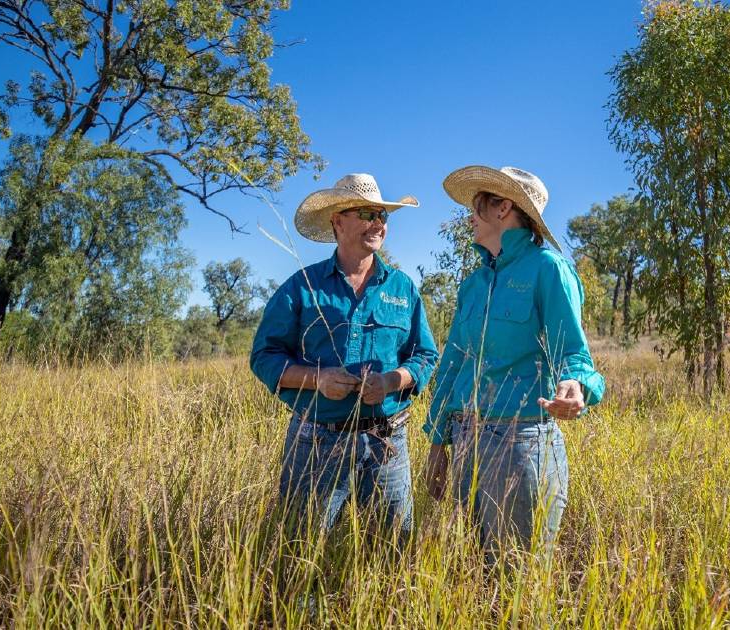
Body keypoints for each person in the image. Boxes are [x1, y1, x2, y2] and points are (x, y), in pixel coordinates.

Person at [423, 165, 606, 558]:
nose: (469, 215)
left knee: (517, 576)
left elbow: (573, 351)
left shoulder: (548, 270)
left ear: (503, 207)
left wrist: (577, 386)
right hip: (465, 439)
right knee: (475, 568)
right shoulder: (473, 285)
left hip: (522, 445)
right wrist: (438, 441)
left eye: (476, 205)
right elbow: (452, 364)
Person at [250, 173, 438, 543]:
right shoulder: (302, 286)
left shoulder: (403, 288)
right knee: (304, 550)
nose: (378, 223)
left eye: (383, 216)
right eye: (367, 213)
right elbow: (264, 356)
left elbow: (426, 355)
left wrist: (391, 381)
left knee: (393, 550)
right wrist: (317, 379)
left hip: (388, 441)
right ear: (338, 220)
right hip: (316, 441)